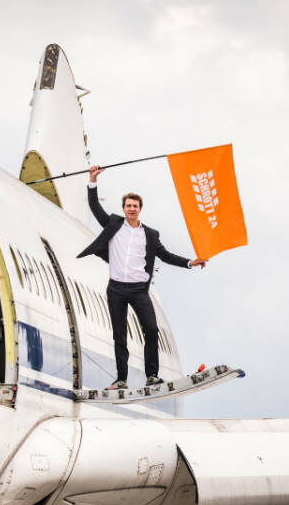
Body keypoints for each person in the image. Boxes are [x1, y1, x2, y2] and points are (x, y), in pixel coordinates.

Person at [78, 164, 205, 389]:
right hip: (116, 288)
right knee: (119, 335)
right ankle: (121, 379)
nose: (131, 209)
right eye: (128, 206)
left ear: (140, 209)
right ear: (124, 208)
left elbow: (165, 256)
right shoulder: (114, 225)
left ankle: (152, 375)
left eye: (135, 206)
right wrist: (93, 180)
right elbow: (94, 206)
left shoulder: (150, 234)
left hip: (138, 290)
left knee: (152, 329)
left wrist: (189, 262)